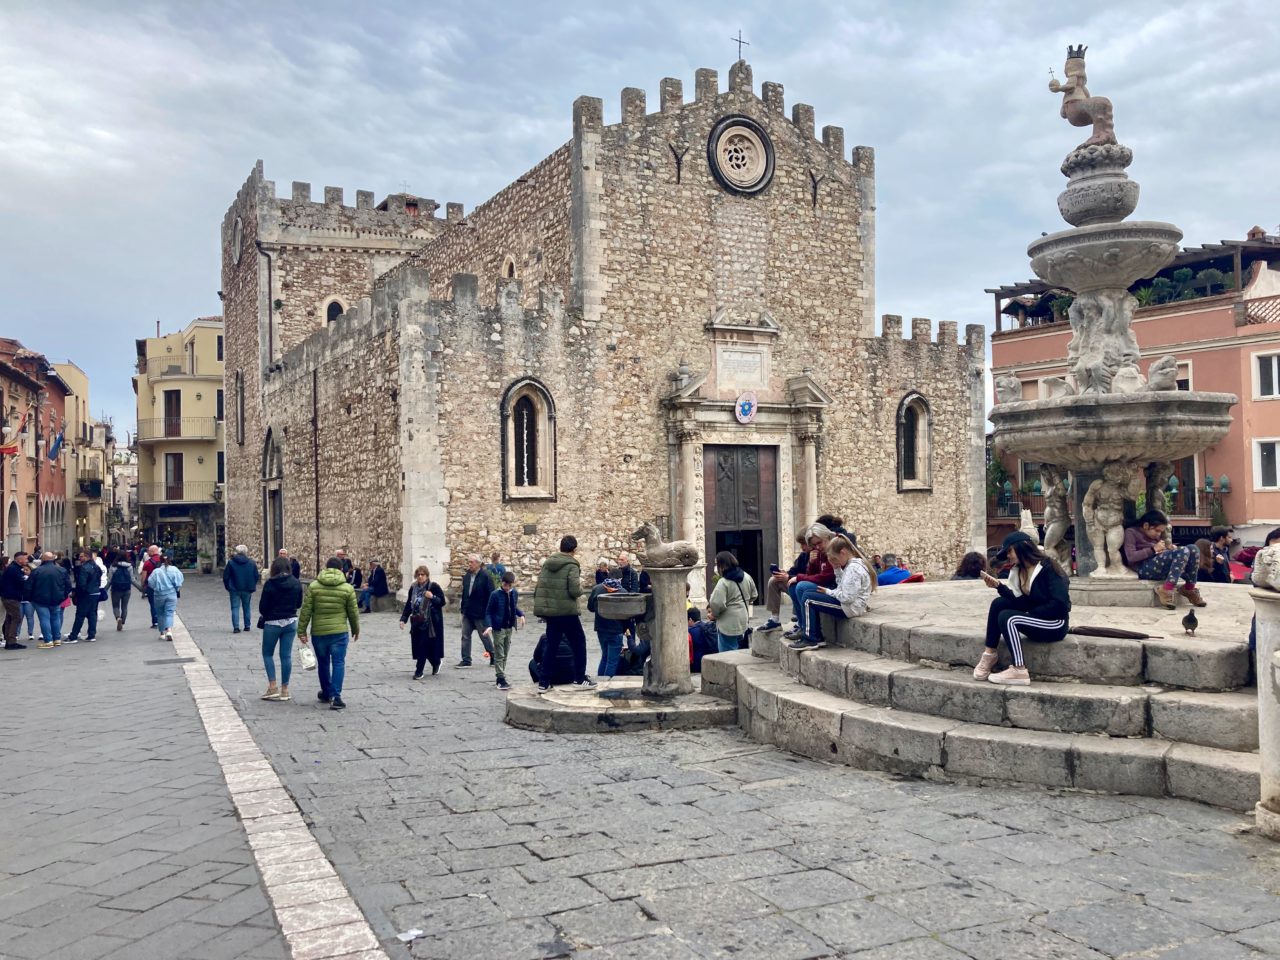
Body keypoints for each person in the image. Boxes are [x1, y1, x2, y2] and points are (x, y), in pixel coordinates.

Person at [974, 531, 1071, 686]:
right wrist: (999, 587)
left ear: (1022, 547)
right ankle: (990, 653)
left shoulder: (1049, 567)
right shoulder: (1019, 571)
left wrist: (1029, 614)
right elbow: (1023, 602)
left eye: (1009, 551)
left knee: (1008, 617)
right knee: (999, 603)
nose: (1009, 556)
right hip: (1036, 620)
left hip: (1055, 624)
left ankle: (1019, 670)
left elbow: (1061, 605)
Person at [788, 535, 874, 651]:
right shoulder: (851, 565)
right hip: (848, 604)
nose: (835, 562)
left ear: (842, 552)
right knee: (808, 594)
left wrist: (829, 592)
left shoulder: (853, 569)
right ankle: (817, 637)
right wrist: (837, 569)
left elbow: (847, 598)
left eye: (835, 559)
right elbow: (842, 585)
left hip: (850, 608)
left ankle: (810, 639)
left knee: (808, 599)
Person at [533, 535, 593, 691]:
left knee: (552, 646)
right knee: (579, 643)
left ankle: (544, 682)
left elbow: (542, 586)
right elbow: (574, 590)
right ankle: (580, 678)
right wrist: (581, 590)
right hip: (567, 612)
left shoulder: (548, 563)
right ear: (574, 550)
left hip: (552, 613)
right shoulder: (572, 565)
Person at [298, 558, 360, 710]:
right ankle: (336, 697)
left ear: (326, 568)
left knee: (323, 663)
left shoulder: (314, 587)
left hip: (319, 632)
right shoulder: (347, 588)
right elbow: (353, 612)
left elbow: (306, 610)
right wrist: (355, 629)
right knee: (338, 662)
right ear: (341, 570)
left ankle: (326, 692)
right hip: (339, 631)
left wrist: (301, 630)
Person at [1122, 509, 1205, 609]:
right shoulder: (1131, 532)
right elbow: (1131, 557)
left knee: (1193, 548)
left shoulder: (1154, 537)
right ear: (1146, 526)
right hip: (1143, 568)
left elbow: (1158, 552)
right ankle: (1166, 589)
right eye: (1157, 531)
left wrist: (1168, 549)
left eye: (1160, 532)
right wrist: (1153, 549)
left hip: (1157, 565)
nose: (1158, 534)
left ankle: (1189, 588)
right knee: (1183, 550)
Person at [257, 556, 303, 701]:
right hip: (290, 621)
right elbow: (299, 603)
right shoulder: (296, 583)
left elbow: (263, 607)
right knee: (286, 656)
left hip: (272, 622)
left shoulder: (270, 584)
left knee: (268, 654)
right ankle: (285, 690)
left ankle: (272, 687)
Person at [783, 524, 838, 642]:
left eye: (819, 543)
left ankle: (812, 634)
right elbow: (812, 574)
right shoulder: (820, 550)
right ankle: (803, 626)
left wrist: (799, 577)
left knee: (802, 586)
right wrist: (812, 563)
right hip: (827, 585)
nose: (817, 547)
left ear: (827, 537)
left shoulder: (834, 549)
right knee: (794, 586)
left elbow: (825, 577)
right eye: (814, 545)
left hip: (834, 588)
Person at [707, 550, 758, 653]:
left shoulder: (723, 582)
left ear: (722, 565)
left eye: (717, 564)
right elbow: (754, 595)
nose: (716, 567)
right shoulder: (747, 576)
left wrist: (714, 615)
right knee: (740, 651)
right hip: (743, 620)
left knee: (727, 655)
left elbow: (717, 603)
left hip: (727, 623)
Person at [400, 565, 446, 679]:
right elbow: (409, 604)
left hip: (430, 622)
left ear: (427, 575)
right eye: (418, 575)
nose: (420, 577)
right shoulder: (413, 588)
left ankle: (419, 671)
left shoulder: (433, 586)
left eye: (423, 575)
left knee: (423, 645)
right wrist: (403, 619)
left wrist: (432, 597)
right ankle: (436, 662)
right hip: (417, 620)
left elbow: (442, 602)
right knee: (421, 645)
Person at [483, 571, 525, 690]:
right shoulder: (495, 594)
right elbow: (489, 612)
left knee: (505, 654)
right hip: (498, 628)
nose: (507, 588)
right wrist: (490, 625)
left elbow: (513, 606)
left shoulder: (514, 593)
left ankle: (500, 678)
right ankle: (501, 678)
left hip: (509, 627)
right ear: (502, 583)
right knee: (499, 654)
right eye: (506, 585)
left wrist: (521, 614)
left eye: (509, 586)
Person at [763, 534, 809, 631]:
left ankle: (800, 622)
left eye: (804, 544)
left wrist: (790, 577)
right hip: (798, 581)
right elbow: (794, 570)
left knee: (798, 587)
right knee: (774, 581)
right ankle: (774, 619)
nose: (802, 547)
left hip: (806, 585)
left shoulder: (817, 555)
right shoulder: (803, 556)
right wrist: (784, 573)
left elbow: (813, 576)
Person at [587, 574, 628, 680]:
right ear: (620, 579)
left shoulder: (597, 588)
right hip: (616, 628)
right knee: (612, 660)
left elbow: (590, 608)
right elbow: (627, 613)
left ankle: (600, 681)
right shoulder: (623, 592)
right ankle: (606, 683)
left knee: (604, 657)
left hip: (601, 627)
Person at [457, 554, 495, 667]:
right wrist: (463, 607)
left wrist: (488, 611)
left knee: (484, 635)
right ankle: (466, 659)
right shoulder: (467, 576)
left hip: (480, 612)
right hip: (468, 611)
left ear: (478, 563)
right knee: (465, 635)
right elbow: (465, 593)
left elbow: (491, 594)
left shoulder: (486, 576)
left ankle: (493, 656)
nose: (469, 564)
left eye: (471, 562)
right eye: (468, 562)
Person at [31, 551, 72, 648]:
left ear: (43, 559)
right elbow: (68, 585)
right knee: (55, 618)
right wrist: (63, 596)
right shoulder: (61, 570)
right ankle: (57, 639)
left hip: (40, 599)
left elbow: (29, 586)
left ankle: (48, 640)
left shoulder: (37, 571)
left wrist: (30, 598)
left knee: (44, 619)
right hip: (57, 599)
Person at [222, 544, 260, 633]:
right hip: (247, 588)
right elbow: (256, 576)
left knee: (235, 607)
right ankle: (247, 626)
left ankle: (236, 627)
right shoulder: (251, 563)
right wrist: (252, 585)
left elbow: (226, 576)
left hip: (234, 588)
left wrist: (228, 586)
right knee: (246, 607)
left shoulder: (231, 563)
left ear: (237, 552)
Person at [66, 549, 102, 643]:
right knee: (92, 614)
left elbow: (82, 583)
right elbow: (99, 577)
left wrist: (77, 593)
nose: (79, 558)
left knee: (80, 614)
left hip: (86, 593)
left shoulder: (84, 568)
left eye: (81, 556)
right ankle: (91, 634)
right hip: (95, 592)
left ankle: (73, 636)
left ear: (87, 557)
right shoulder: (96, 566)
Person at [148, 554, 184, 642]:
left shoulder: (156, 571)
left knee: (160, 613)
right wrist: (176, 588)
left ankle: (161, 633)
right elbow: (180, 580)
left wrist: (156, 588)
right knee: (169, 612)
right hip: (171, 594)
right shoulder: (174, 569)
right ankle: (169, 630)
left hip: (159, 595)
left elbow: (150, 582)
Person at [1, 551, 28, 649]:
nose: (27, 560)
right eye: (25, 558)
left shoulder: (14, 568)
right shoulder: (13, 569)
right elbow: (21, 581)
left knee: (10, 618)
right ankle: (11, 641)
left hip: (9, 596)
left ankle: (9, 640)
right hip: (11, 597)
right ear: (19, 560)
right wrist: (27, 577)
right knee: (16, 617)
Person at [139, 544, 162, 629]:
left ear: (152, 552)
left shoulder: (147, 563)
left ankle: (155, 622)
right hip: (164, 585)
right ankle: (164, 621)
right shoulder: (164, 561)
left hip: (151, 586)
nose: (147, 552)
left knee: (153, 604)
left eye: (149, 551)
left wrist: (142, 585)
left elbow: (144, 576)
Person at [109, 554, 134, 630]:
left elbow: (110, 580)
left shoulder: (113, 566)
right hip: (127, 589)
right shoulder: (129, 566)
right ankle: (122, 621)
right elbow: (132, 579)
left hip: (116, 589)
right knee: (124, 606)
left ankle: (118, 618)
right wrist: (140, 588)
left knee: (115, 606)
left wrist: (104, 589)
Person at [688, 607, 717, 673]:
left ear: (690, 619)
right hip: (709, 662)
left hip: (697, 666)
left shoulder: (690, 631)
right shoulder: (707, 627)